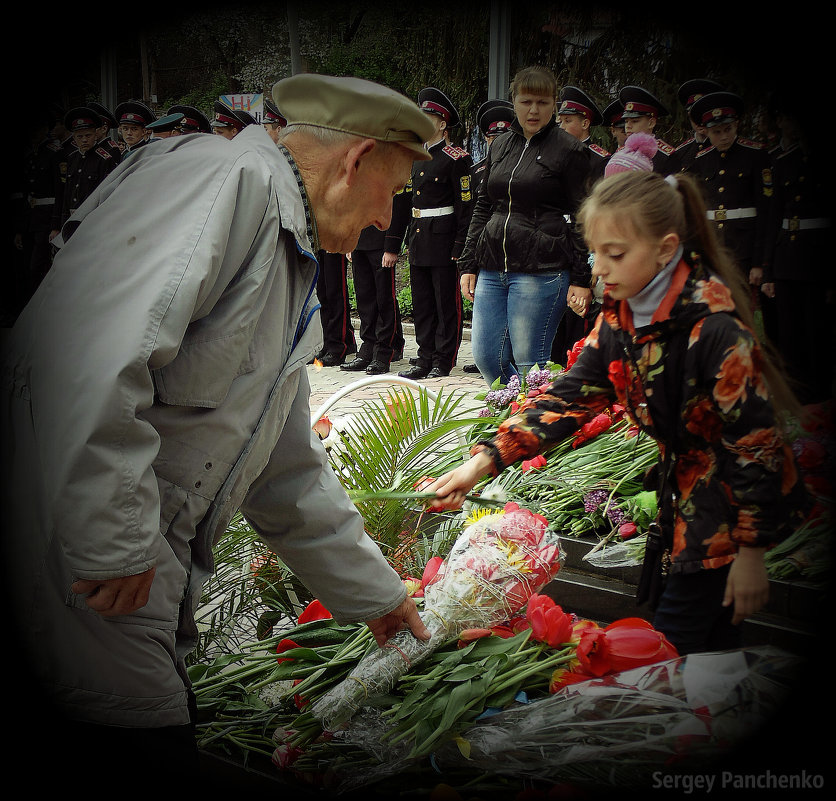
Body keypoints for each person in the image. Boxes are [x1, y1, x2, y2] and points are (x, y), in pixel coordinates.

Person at [1, 73, 434, 783]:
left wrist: (375, 596)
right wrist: (112, 539)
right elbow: (91, 355)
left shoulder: (282, 233)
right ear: (355, 161)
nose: (387, 219)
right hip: (83, 539)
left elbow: (284, 461)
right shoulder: (230, 186)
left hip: (132, 549)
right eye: (392, 191)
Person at [428, 170, 807, 657]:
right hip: (687, 504)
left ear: (666, 249)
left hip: (728, 509)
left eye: (616, 253)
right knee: (708, 654)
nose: (599, 268)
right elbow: (568, 399)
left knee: (666, 651)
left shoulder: (714, 330)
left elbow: (756, 444)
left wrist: (751, 554)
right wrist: (481, 463)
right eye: (595, 252)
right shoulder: (623, 316)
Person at [457, 66, 592, 386]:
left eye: (543, 102)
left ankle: (529, 426)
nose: (534, 110)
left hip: (542, 269)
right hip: (492, 265)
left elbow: (584, 217)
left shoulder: (570, 150)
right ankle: (513, 416)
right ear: (514, 102)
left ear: (555, 105)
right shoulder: (500, 145)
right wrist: (468, 263)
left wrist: (581, 278)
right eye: (526, 101)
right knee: (487, 357)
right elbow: (484, 205)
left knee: (530, 363)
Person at [394, 86, 473, 380]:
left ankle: (443, 358)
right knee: (422, 302)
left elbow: (465, 207)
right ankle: (425, 355)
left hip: (443, 239)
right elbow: (408, 202)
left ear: (442, 123)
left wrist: (459, 246)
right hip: (419, 237)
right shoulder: (417, 157)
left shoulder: (456, 158)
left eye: (427, 118)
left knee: (444, 303)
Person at [762, 88, 834, 404]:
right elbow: (772, 217)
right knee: (789, 333)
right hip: (786, 258)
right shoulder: (781, 162)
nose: (789, 124)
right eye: (785, 117)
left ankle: (820, 395)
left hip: (819, 260)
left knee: (818, 331)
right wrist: (767, 270)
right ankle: (797, 395)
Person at [689, 91, 773, 312]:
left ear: (736, 125)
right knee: (713, 308)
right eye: (716, 132)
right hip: (715, 248)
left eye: (728, 130)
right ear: (706, 131)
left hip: (744, 250)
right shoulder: (702, 159)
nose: (723, 136)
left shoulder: (755, 155)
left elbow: (765, 212)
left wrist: (758, 263)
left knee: (741, 309)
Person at [461, 99, 515, 375]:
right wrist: (468, 261)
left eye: (503, 136)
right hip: (487, 254)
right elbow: (475, 213)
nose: (497, 142)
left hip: (521, 256)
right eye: (492, 137)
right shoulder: (479, 170)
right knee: (487, 353)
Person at [341, 213, 407, 375]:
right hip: (359, 240)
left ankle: (383, 352)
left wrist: (392, 246)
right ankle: (368, 348)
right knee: (364, 299)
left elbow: (397, 206)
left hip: (381, 240)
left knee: (384, 299)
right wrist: (350, 240)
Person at [50, 106, 121, 236]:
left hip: (92, 221)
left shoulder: (105, 159)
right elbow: (65, 193)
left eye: (88, 135)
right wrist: (56, 226)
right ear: (74, 137)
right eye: (79, 136)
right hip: (70, 221)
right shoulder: (71, 158)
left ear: (95, 134)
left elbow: (106, 195)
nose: (84, 140)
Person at [667, 78, 724, 175]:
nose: (698, 120)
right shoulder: (681, 153)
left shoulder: (728, 147)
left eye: (703, 113)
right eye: (693, 114)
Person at [557, 85, 610, 185]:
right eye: (560, 121)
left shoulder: (599, 160)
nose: (561, 127)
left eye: (567, 121)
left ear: (585, 124)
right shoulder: (555, 153)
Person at [618, 85, 675, 174]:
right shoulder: (621, 153)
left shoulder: (666, 156)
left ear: (651, 123)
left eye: (635, 121)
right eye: (626, 121)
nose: (628, 126)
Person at [315, 249, 357, 366]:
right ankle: (328, 343)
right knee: (322, 295)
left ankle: (337, 345)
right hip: (321, 243)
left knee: (335, 294)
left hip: (336, 243)